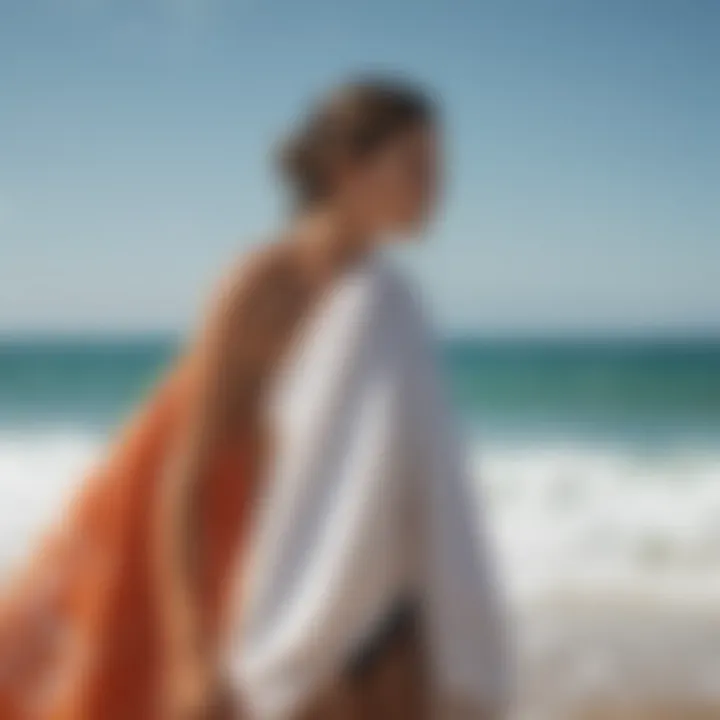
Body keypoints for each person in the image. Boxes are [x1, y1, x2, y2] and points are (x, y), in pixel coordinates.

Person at [0, 77, 511, 720]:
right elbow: (185, 475)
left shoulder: (385, 301)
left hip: (305, 575)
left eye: (439, 165)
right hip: (213, 568)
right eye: (416, 164)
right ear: (347, 167)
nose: (437, 185)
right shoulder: (266, 285)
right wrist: (192, 648)